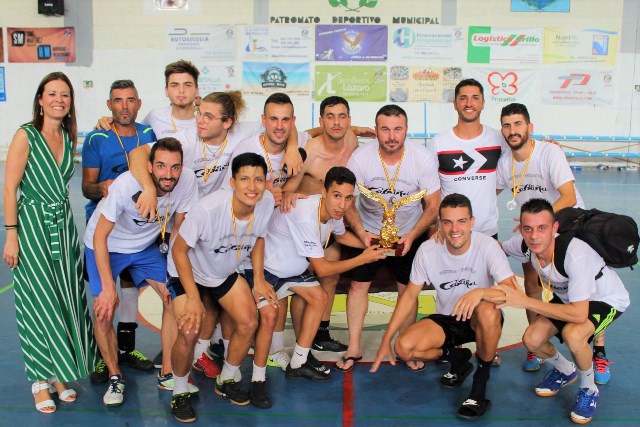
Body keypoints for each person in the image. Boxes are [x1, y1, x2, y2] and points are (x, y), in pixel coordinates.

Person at [243, 167, 387, 404]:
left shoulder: (333, 214)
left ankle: (298, 363)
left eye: (348, 198)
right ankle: (257, 380)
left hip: (291, 272)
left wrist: (370, 244)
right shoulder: (305, 214)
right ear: (323, 192)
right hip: (265, 272)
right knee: (269, 316)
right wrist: (364, 258)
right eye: (337, 195)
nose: (342, 204)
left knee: (319, 297)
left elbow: (340, 236)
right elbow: (322, 269)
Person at [371, 193, 517, 420]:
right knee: (404, 349)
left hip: (479, 319)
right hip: (447, 321)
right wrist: (386, 339)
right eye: (447, 222)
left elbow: (513, 292)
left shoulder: (487, 246)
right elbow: (409, 296)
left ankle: (479, 387)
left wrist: (480, 292)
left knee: (488, 310)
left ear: (472, 222)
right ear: (439, 224)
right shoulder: (428, 250)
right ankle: (457, 357)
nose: (454, 229)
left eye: (461, 221)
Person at [3, 72, 97, 413]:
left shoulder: (69, 138)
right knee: (36, 302)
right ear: (40, 99)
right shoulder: (25, 136)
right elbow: (10, 187)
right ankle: (39, 381)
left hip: (62, 229)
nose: (59, 99)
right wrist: (11, 234)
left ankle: (58, 373)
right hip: (31, 228)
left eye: (65, 95)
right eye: (52, 93)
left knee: (63, 301)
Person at [84, 137, 198, 406]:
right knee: (104, 310)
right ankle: (115, 376)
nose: (168, 174)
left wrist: (174, 275)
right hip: (106, 245)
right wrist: (109, 289)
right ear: (149, 167)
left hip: (146, 247)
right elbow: (100, 236)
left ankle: (168, 373)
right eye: (161, 166)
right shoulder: (126, 185)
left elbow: (179, 228)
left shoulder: (188, 181)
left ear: (182, 167)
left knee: (172, 298)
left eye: (174, 167)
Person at [498, 198, 630, 425]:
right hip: (570, 298)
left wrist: (525, 301)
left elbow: (579, 315)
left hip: (605, 299)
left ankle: (589, 388)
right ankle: (564, 369)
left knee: (574, 335)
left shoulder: (575, 254)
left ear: (554, 228)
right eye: (528, 229)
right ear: (521, 229)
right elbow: (496, 248)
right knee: (531, 339)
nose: (534, 236)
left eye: (542, 228)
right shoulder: (524, 245)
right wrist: (454, 237)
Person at [167, 153, 275, 422]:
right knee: (189, 331)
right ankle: (179, 391)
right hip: (187, 272)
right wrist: (192, 297)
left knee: (249, 321)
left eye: (259, 179)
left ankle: (226, 379)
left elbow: (259, 237)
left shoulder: (266, 202)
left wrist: (258, 279)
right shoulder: (207, 209)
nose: (252, 186)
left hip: (221, 272)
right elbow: (179, 251)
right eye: (245, 179)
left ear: (266, 182)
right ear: (232, 182)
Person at [341, 104, 441, 372]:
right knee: (358, 286)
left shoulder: (422, 159)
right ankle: (353, 346)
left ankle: (405, 346)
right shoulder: (360, 158)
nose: (391, 136)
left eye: (398, 129)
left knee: (407, 291)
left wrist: (413, 235)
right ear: (376, 131)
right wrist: (362, 233)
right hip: (369, 232)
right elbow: (349, 202)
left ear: (407, 130)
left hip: (409, 232)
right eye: (385, 129)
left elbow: (432, 205)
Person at [496, 102, 588, 373]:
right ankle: (535, 347)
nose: (513, 130)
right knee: (532, 285)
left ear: (530, 127)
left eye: (518, 124)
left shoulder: (549, 152)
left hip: (568, 225)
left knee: (583, 290)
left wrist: (536, 222)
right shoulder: (505, 163)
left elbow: (568, 197)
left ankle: (600, 351)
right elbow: (488, 194)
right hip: (534, 231)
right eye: (507, 125)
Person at [281, 96, 374, 355]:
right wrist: (289, 194)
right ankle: (303, 342)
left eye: (342, 116)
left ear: (349, 120)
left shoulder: (352, 140)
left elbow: (344, 131)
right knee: (306, 283)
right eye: (330, 117)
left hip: (331, 225)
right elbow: (288, 189)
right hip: (306, 226)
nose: (336, 122)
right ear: (320, 121)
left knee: (330, 277)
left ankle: (321, 332)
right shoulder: (309, 152)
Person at [82, 79, 156, 383]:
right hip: (106, 227)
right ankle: (105, 358)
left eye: (130, 100)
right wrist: (100, 188)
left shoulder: (149, 133)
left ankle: (126, 350)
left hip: (138, 226)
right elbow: (86, 187)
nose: (124, 106)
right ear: (109, 105)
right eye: (118, 100)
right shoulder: (96, 138)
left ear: (139, 104)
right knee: (104, 296)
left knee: (129, 287)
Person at [429, 78, 508, 366]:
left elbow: (505, 176)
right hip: (451, 233)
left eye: (475, 97)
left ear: (483, 102)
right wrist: (435, 226)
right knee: (452, 289)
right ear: (455, 103)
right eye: (463, 97)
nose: (469, 103)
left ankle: (487, 348)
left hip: (486, 231)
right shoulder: (439, 142)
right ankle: (450, 340)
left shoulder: (498, 138)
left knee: (487, 299)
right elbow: (433, 189)